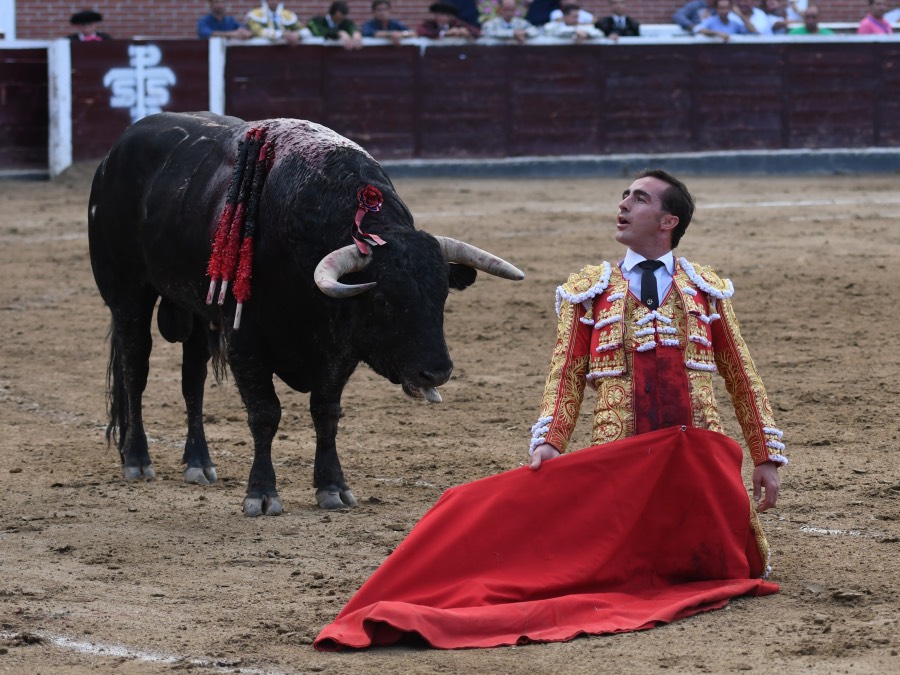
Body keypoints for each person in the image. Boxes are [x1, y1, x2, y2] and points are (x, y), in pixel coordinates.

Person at [528, 169, 786, 521]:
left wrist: (765, 456)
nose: (623, 204)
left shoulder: (706, 290)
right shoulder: (589, 293)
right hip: (619, 453)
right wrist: (550, 442)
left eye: (639, 198)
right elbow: (566, 376)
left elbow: (742, 375)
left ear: (668, 221)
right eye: (625, 195)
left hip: (697, 452)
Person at [417, 2, 481, 38]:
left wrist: (466, 32)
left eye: (447, 14)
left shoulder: (456, 23)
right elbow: (421, 31)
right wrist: (445, 33)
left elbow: (477, 32)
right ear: (436, 15)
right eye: (441, 14)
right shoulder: (430, 24)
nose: (443, 17)